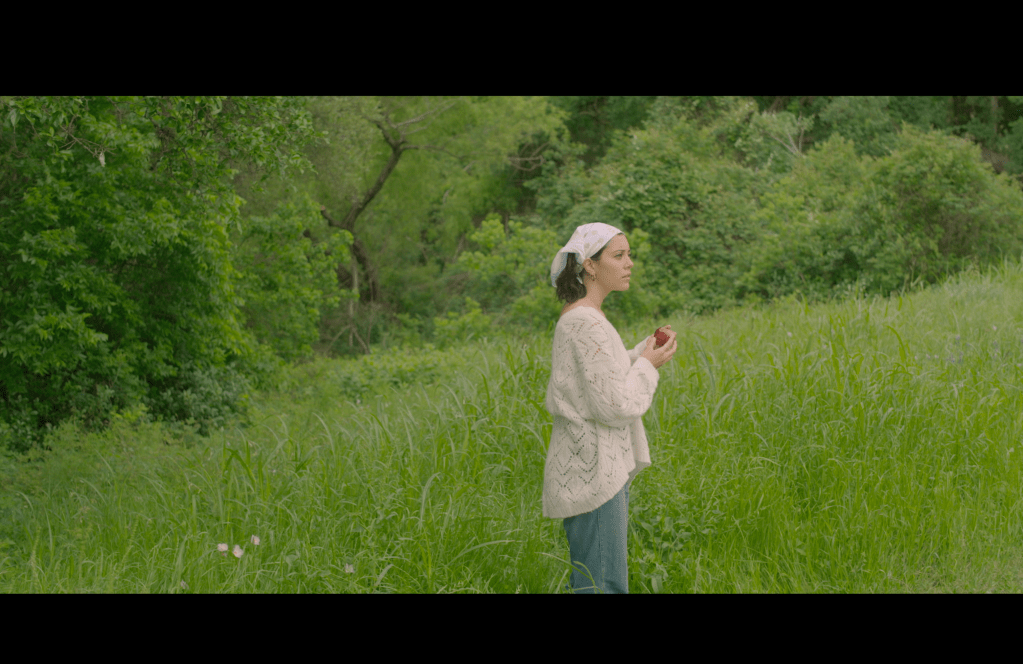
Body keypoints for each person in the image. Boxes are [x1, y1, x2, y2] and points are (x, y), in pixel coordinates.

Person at [545, 222, 678, 593]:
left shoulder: (586, 316)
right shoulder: (585, 321)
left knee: (596, 581)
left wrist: (642, 354)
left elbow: (599, 379)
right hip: (594, 469)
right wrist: (647, 365)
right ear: (590, 264)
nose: (629, 263)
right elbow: (615, 404)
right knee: (603, 585)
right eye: (619, 255)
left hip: (595, 466)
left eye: (629, 254)